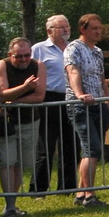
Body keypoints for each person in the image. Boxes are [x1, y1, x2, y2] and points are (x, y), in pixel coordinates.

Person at [0, 37, 47, 217]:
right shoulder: (2, 65)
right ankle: (9, 206)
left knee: (21, 164)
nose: (23, 59)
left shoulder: (38, 65)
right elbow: (1, 93)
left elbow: (39, 97)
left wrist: (13, 100)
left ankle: (12, 205)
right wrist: (25, 87)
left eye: (27, 55)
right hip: (4, 122)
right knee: (8, 162)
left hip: (30, 122)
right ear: (10, 55)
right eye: (19, 56)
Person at [64, 13, 109, 206]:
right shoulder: (73, 48)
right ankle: (89, 195)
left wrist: (107, 101)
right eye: (94, 28)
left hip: (99, 105)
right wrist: (79, 94)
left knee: (91, 150)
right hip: (81, 106)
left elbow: (101, 78)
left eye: (100, 28)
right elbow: (72, 71)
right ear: (83, 29)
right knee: (92, 148)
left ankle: (81, 193)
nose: (98, 31)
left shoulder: (98, 51)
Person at [30, 13, 78, 195]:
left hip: (69, 98)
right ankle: (39, 189)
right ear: (49, 31)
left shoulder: (73, 48)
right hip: (48, 99)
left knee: (70, 145)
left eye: (68, 27)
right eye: (62, 27)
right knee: (46, 146)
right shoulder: (39, 49)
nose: (66, 30)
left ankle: (67, 188)